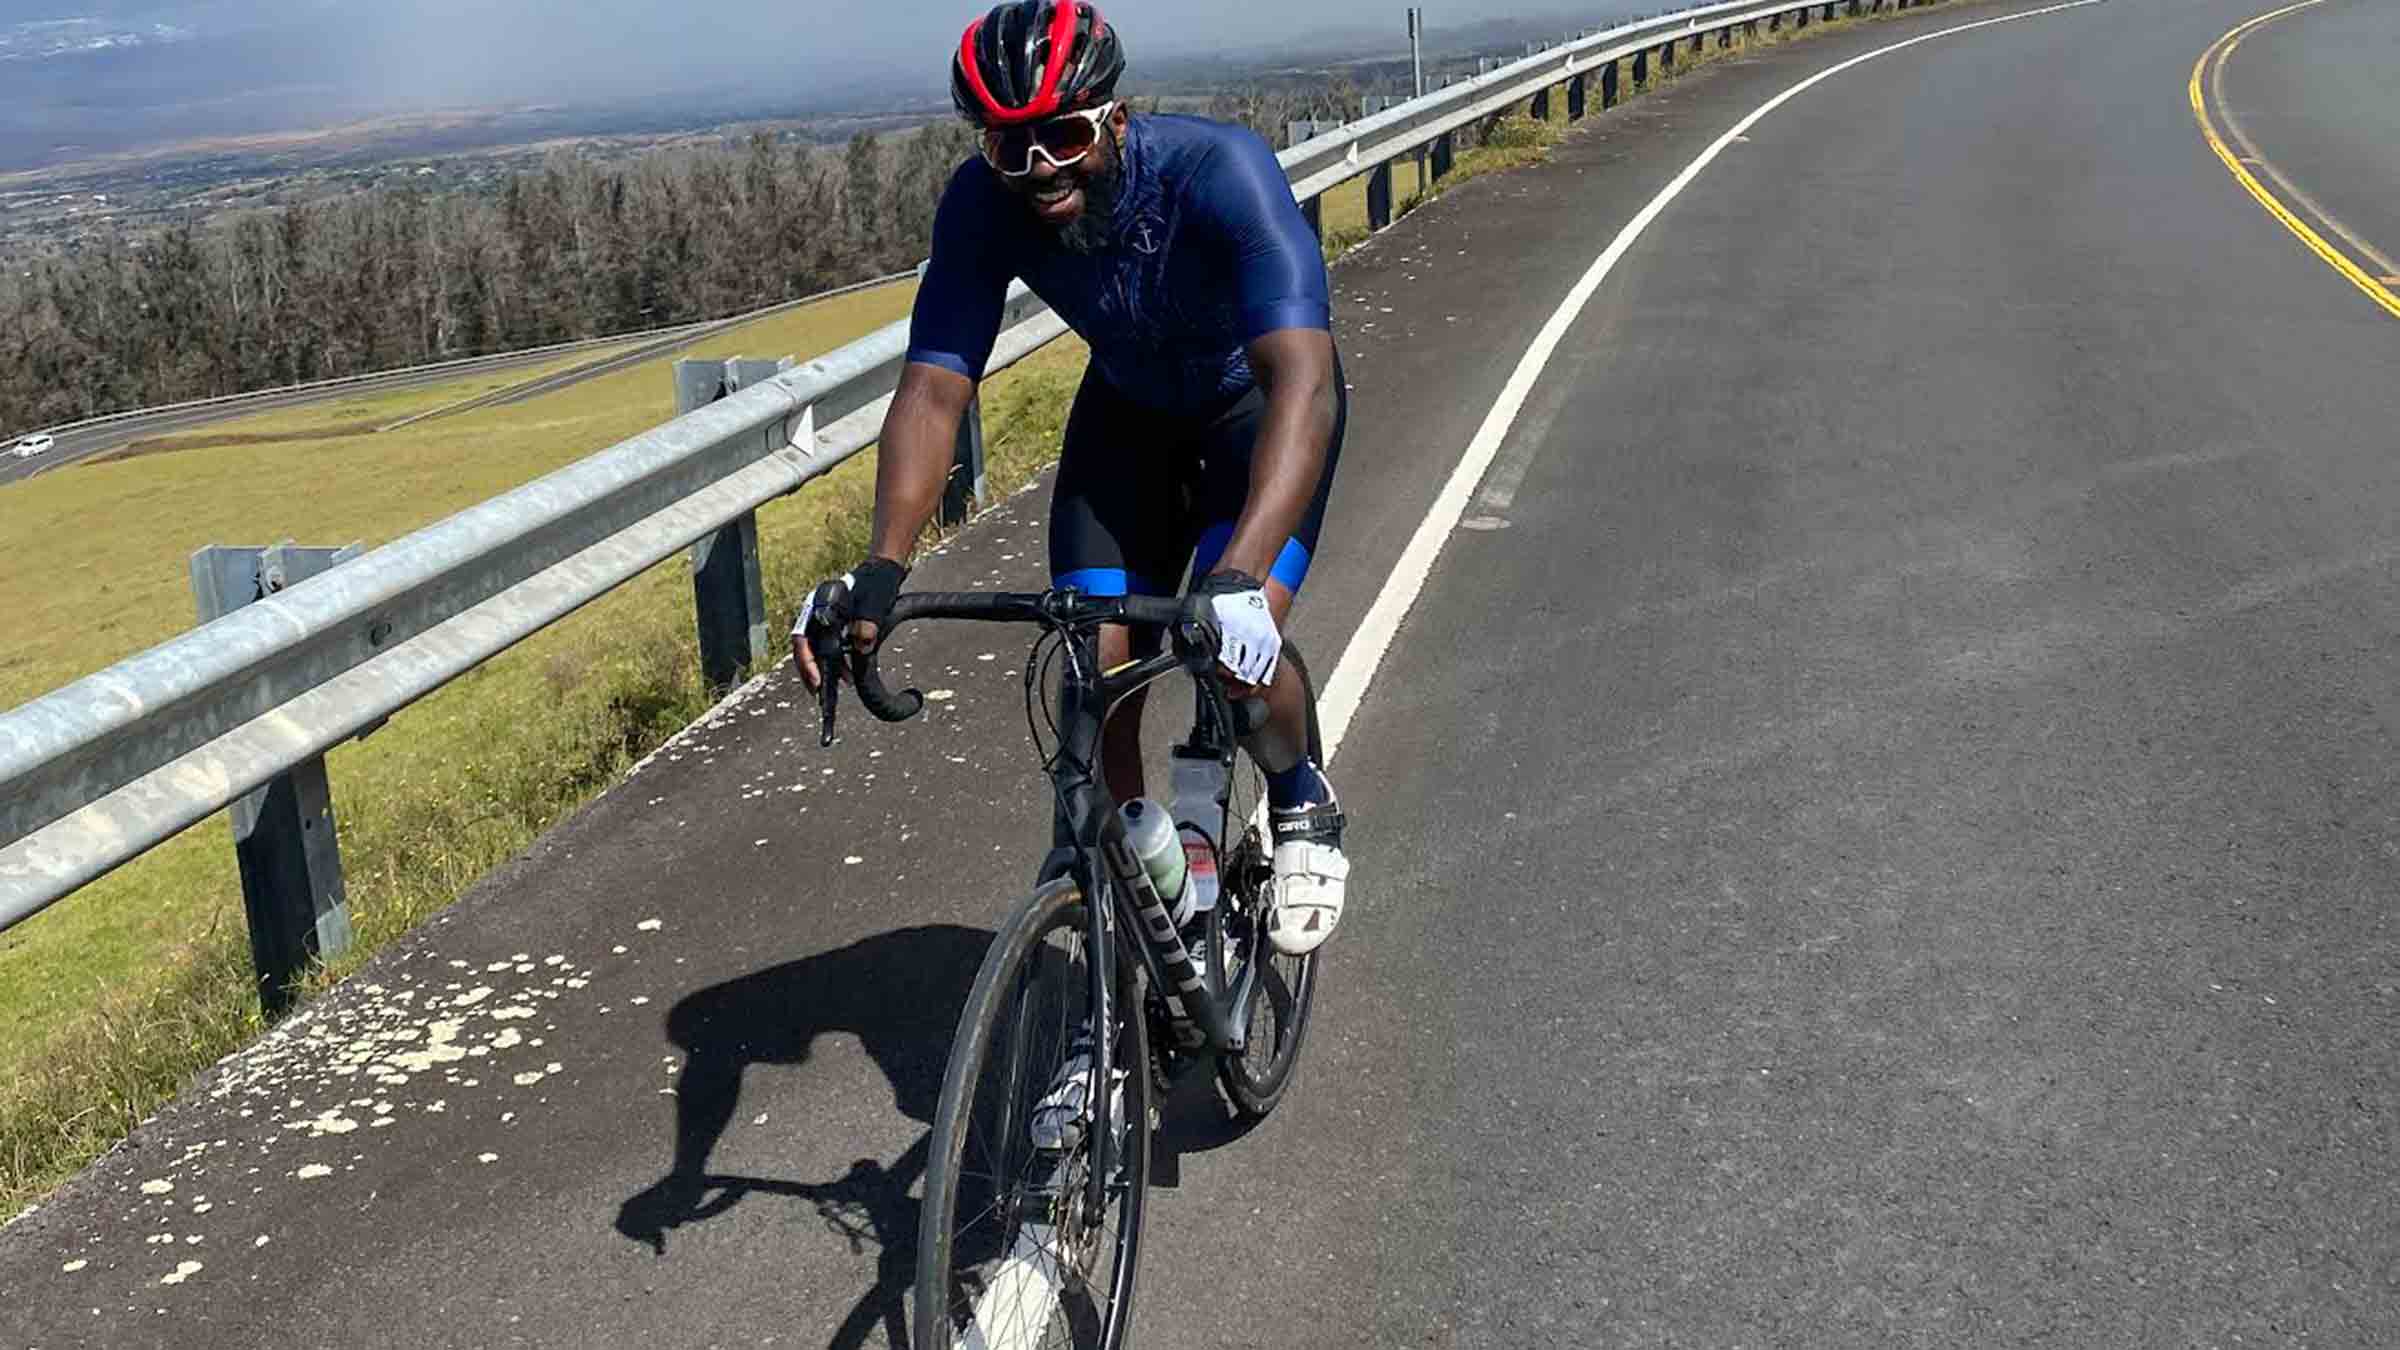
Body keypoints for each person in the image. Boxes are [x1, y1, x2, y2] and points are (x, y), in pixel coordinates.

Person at [793, 0, 1349, 957]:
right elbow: (933, 392)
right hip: (1128, 417)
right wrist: (881, 567)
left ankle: (1303, 799)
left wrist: (1238, 577)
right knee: (1090, 673)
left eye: (1062, 134)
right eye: (1009, 146)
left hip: (1255, 412)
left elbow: (1302, 380)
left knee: (1233, 649)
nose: (1038, 167)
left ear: (1116, 119)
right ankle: (1151, 887)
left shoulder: (1219, 172)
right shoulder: (982, 204)